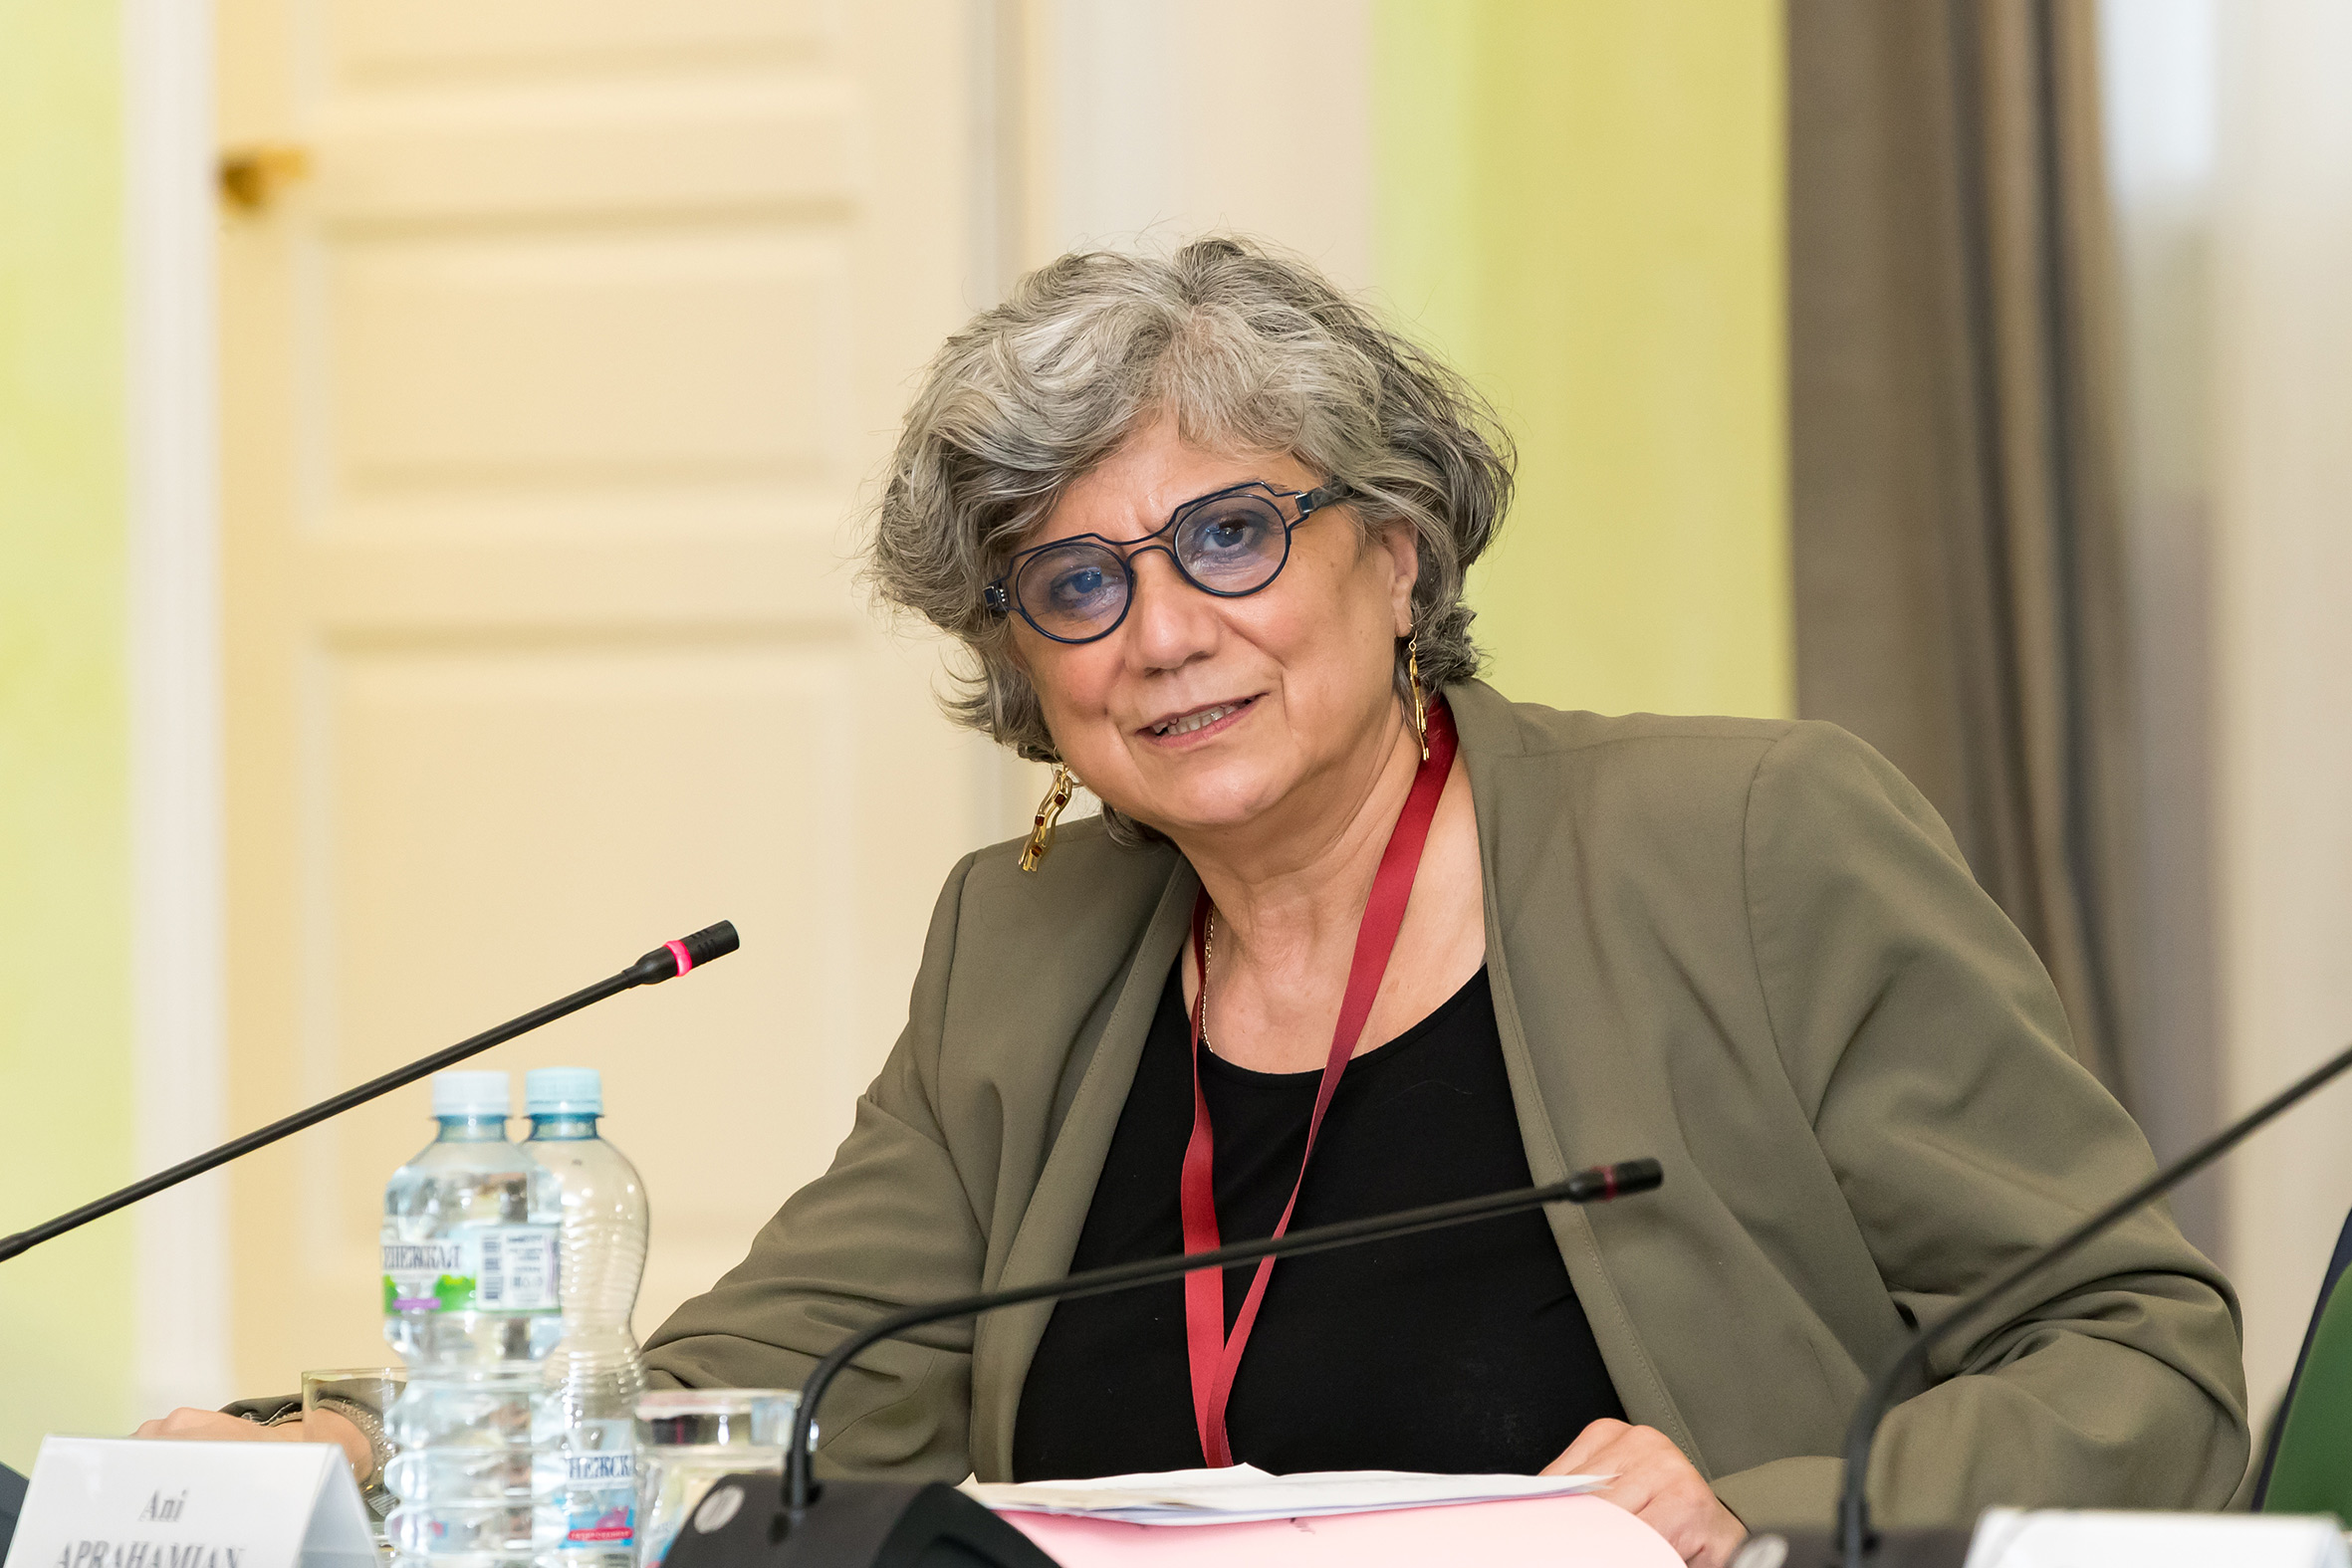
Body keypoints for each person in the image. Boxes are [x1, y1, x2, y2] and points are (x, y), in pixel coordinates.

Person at [140, 239, 2247, 1568]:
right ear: (1025, 672)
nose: (1159, 631)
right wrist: (360, 1437)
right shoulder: (1019, 946)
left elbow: (2137, 1367)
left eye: (1230, 535)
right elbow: (768, 1384)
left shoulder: (1749, 842)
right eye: (1074, 580)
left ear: (1395, 555)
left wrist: (1740, 1517)